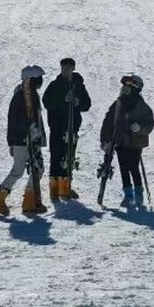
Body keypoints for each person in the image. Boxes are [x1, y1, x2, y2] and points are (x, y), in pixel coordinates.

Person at [0, 66, 50, 217]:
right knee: (18, 170)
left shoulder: (32, 94)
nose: (40, 81)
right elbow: (14, 119)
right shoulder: (20, 96)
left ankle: (30, 201)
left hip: (32, 139)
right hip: (22, 140)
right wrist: (24, 132)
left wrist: (36, 134)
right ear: (30, 79)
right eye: (38, 79)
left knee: (38, 168)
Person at [99, 73, 154, 209]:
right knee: (124, 168)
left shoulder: (141, 105)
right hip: (120, 141)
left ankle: (138, 195)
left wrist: (140, 128)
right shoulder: (119, 103)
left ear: (136, 88)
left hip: (135, 142)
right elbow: (108, 121)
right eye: (124, 85)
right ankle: (128, 195)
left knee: (133, 167)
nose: (125, 88)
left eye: (128, 85)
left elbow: (150, 123)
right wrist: (105, 139)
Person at [43, 58, 92, 202]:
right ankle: (54, 188)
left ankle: (65, 187)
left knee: (69, 156)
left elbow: (87, 104)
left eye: (68, 68)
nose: (66, 70)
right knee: (56, 156)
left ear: (73, 68)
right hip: (57, 126)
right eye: (63, 68)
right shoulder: (55, 85)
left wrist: (78, 102)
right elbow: (47, 102)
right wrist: (63, 100)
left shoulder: (79, 86)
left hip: (72, 127)